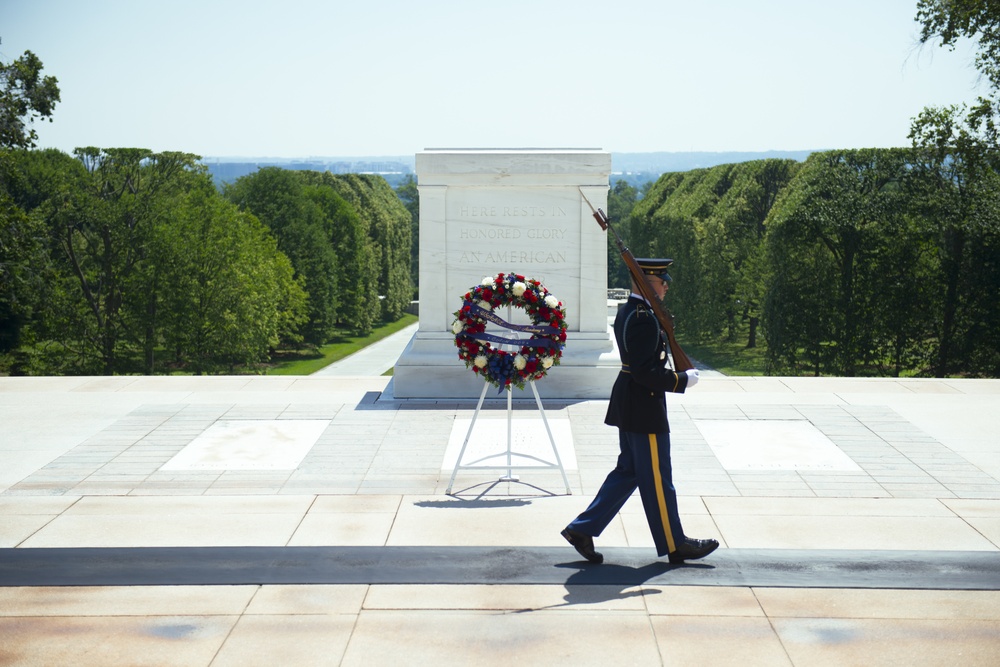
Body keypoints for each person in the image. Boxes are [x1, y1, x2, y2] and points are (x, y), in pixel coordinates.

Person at [561, 257, 719, 564]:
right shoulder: (644, 317)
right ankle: (675, 543)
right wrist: (681, 380)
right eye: (662, 283)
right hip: (644, 406)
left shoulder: (631, 311)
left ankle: (582, 529)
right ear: (647, 284)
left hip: (632, 402)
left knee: (629, 472)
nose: (666, 287)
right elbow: (645, 372)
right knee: (658, 478)